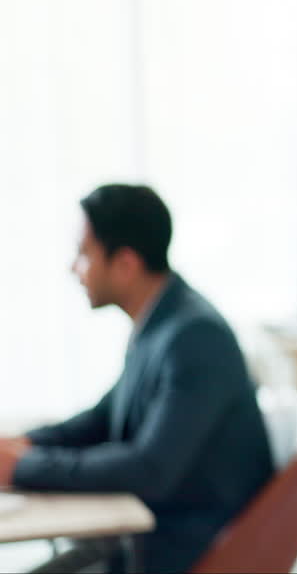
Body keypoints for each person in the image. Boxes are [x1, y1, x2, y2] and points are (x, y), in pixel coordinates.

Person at [0, 184, 274, 574]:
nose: (73, 268)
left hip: (181, 549)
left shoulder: (194, 337)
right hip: (145, 538)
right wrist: (26, 443)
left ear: (125, 263)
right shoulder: (162, 320)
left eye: (83, 254)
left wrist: (21, 467)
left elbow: (150, 469)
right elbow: (102, 418)